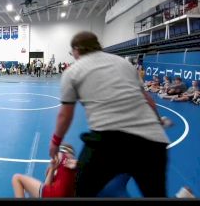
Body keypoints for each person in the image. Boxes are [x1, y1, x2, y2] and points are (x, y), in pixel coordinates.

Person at [49, 32, 169, 197]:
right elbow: (148, 100)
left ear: (77, 50)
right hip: (153, 142)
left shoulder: (73, 70)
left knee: (81, 189)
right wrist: (158, 121)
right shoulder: (124, 63)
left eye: (72, 53)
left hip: (108, 141)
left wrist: (55, 142)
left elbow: (65, 115)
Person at [12, 143, 77, 198]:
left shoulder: (64, 161)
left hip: (55, 193)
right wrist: (52, 169)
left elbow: (46, 189)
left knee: (17, 178)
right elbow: (46, 187)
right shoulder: (64, 169)